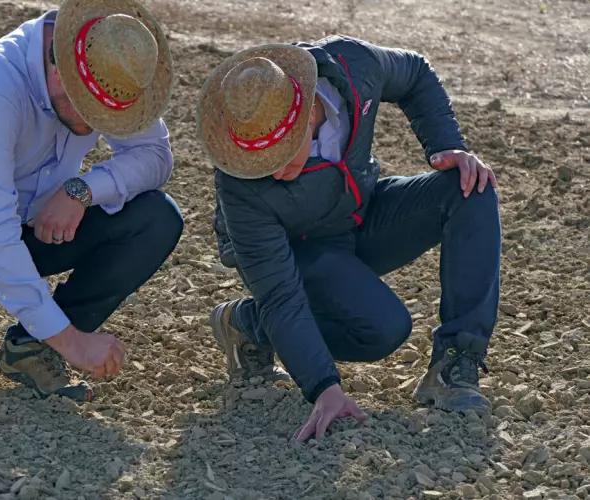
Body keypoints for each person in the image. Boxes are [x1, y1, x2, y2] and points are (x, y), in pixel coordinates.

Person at [196, 37, 501, 441]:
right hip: (295, 251)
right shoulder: (238, 184)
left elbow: (416, 74)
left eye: (282, 156)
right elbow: (280, 295)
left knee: (471, 187)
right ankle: (247, 322)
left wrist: (447, 147)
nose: (275, 172)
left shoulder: (353, 66)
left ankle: (455, 361)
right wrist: (324, 387)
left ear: (307, 112)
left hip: (357, 214)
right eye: (258, 164)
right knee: (383, 330)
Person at [0, 0, 183, 402]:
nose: (98, 128)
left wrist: (81, 190)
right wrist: (74, 343)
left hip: (27, 213)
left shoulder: (107, 62)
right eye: (91, 113)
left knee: (156, 218)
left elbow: (156, 156)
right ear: (59, 74)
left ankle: (30, 348)